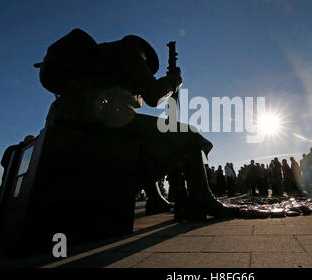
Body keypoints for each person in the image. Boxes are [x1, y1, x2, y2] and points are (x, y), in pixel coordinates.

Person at [38, 28, 236, 218]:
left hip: (76, 121)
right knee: (188, 135)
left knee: (142, 141)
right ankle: (202, 199)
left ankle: (155, 198)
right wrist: (173, 82)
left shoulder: (101, 62)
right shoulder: (129, 49)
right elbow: (153, 95)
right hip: (96, 124)